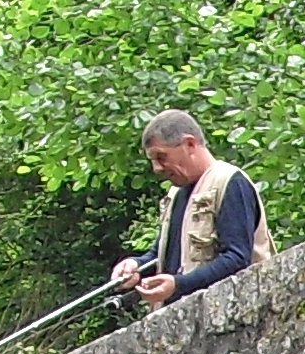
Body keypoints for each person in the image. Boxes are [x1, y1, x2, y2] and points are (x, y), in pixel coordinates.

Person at [112, 110, 272, 310]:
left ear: (190, 144)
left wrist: (179, 285)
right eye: (152, 160)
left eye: (161, 157)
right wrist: (136, 267)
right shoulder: (177, 193)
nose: (157, 168)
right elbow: (162, 256)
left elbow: (237, 259)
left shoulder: (230, 182)